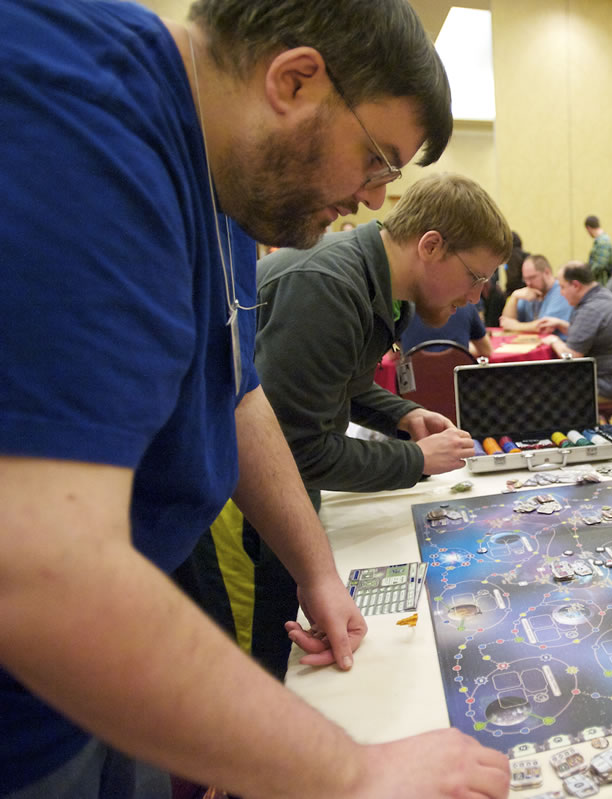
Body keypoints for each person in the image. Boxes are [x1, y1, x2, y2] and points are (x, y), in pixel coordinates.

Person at [0, 1, 510, 797]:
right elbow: (41, 573)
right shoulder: (77, 121)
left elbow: (238, 393)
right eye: (377, 160)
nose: (377, 200)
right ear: (296, 80)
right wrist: (355, 771)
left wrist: (317, 571)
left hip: (100, 689)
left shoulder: (228, 173)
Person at [175, 172, 507, 680]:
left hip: (271, 490)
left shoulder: (377, 285)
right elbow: (293, 450)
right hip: (234, 498)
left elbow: (341, 386)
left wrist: (401, 413)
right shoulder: (329, 286)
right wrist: (417, 460)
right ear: (432, 246)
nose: (477, 295)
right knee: (254, 666)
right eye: (475, 277)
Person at [537, 261, 612, 400]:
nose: (561, 293)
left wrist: (554, 340)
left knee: (539, 385)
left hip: (601, 385)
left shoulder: (591, 309)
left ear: (576, 285)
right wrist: (562, 325)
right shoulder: (602, 295)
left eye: (562, 287)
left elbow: (571, 357)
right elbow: (592, 334)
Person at [499, 253, 572, 332]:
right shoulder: (530, 291)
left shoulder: (561, 291)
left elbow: (546, 328)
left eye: (532, 277)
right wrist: (514, 296)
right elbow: (505, 322)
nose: (528, 283)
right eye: (525, 279)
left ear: (547, 272)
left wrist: (514, 326)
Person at [403, 303, 494, 358]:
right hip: (458, 386)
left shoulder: (404, 308)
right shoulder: (466, 306)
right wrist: (463, 348)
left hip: (413, 386)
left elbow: (393, 352)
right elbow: (486, 351)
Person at [584, 214, 612, 284]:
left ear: (588, 228)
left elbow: (600, 265)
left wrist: (586, 276)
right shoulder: (601, 240)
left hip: (603, 282)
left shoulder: (602, 241)